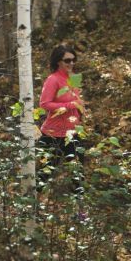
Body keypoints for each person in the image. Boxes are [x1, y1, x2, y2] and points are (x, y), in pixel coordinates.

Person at [38, 44, 85, 191]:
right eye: (67, 60)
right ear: (58, 61)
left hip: (73, 132)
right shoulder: (53, 80)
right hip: (53, 134)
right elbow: (44, 104)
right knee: (44, 174)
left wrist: (81, 112)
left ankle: (80, 211)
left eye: (73, 60)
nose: (71, 63)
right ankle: (33, 208)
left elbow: (78, 100)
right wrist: (70, 104)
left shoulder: (74, 77)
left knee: (78, 175)